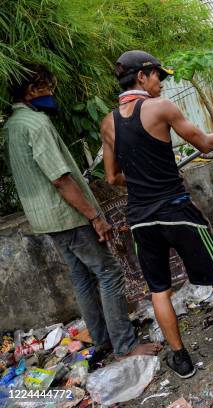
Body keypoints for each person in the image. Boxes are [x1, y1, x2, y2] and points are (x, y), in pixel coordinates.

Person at [101, 50, 213, 379]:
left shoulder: (108, 122)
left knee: (159, 290)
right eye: (158, 75)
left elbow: (112, 177)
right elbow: (204, 144)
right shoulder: (160, 108)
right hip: (177, 209)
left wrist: (143, 180)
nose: (161, 83)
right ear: (141, 77)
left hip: (141, 219)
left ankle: (181, 359)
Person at [3, 64, 161, 361]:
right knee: (110, 273)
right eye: (49, 88)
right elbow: (60, 179)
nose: (52, 94)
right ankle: (125, 346)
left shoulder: (13, 124)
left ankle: (102, 339)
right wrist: (94, 216)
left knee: (82, 277)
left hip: (45, 218)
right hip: (66, 214)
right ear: (33, 90)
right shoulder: (36, 125)